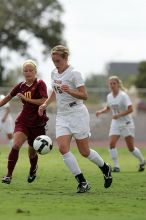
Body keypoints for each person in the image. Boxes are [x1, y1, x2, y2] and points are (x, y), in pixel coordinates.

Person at [38, 45, 112, 193]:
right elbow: (54, 91)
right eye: (53, 60)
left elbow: (85, 96)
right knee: (63, 148)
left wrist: (70, 90)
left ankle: (105, 167)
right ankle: (82, 182)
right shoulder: (54, 73)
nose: (55, 63)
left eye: (58, 60)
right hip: (63, 115)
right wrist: (45, 104)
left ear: (66, 58)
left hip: (77, 114)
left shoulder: (75, 73)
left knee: (84, 152)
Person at [0, 60, 48, 184]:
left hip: (38, 124)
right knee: (15, 145)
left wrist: (27, 99)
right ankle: (8, 175)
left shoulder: (40, 84)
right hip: (23, 121)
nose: (28, 73)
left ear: (35, 71)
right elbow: (7, 97)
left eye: (30, 70)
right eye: (25, 71)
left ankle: (33, 169)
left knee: (32, 154)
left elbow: (44, 101)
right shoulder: (20, 86)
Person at [96, 75, 145, 172]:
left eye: (114, 83)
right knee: (111, 144)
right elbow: (109, 108)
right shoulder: (109, 96)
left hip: (127, 123)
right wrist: (100, 111)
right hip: (116, 124)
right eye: (110, 83)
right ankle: (116, 166)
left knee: (131, 148)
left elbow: (131, 109)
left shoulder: (123, 96)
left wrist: (119, 115)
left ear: (118, 84)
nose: (112, 85)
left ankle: (142, 161)